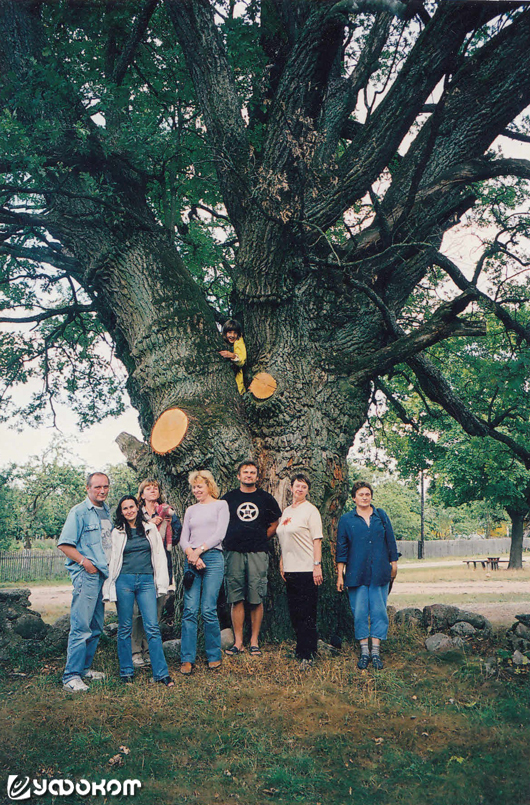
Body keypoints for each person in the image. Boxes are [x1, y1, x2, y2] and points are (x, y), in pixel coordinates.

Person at [103, 496, 174, 686]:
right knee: (125, 627)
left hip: (146, 581)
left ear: (137, 508)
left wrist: (161, 583)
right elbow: (111, 558)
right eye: (125, 508)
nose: (129, 511)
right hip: (124, 581)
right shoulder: (117, 532)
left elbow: (159, 557)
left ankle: (161, 673)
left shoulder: (150, 529)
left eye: (131, 507)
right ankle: (126, 671)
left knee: (152, 626)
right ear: (121, 512)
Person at [57, 472, 112, 692]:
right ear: (87, 488)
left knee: (96, 625)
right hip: (87, 575)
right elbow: (64, 545)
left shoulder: (106, 510)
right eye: (98, 487)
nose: (102, 491)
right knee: (81, 627)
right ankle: (70, 677)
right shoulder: (79, 512)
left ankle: (84, 669)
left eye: (106, 487)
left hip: (103, 576)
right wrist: (85, 562)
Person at [336, 481, 398, 670]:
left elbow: (391, 540)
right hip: (356, 573)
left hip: (379, 571)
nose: (364, 497)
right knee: (360, 613)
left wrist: (394, 563)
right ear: (354, 498)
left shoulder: (381, 515)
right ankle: (364, 652)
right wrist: (340, 574)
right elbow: (341, 548)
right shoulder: (347, 520)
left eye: (367, 494)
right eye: (360, 494)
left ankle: (376, 652)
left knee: (379, 612)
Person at [222, 461, 281, 656]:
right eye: (245, 472)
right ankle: (238, 642)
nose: (249, 475)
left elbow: (274, 523)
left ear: (257, 476)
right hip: (233, 553)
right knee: (236, 597)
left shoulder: (266, 499)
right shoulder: (228, 499)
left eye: (252, 473)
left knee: (256, 596)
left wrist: (260, 538)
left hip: (258, 552)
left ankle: (254, 641)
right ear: (238, 476)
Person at [179, 470, 229, 675]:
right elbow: (183, 538)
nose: (196, 490)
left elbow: (220, 534)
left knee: (208, 609)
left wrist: (200, 551)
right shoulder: (191, 510)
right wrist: (192, 555)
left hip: (213, 559)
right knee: (190, 610)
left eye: (200, 486)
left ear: (209, 486)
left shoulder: (221, 505)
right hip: (192, 561)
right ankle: (187, 658)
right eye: (194, 487)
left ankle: (213, 655)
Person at [131, 479, 182, 668]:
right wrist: (149, 525)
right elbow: (130, 536)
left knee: (156, 609)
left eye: (155, 488)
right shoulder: (134, 512)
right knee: (137, 611)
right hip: (140, 565)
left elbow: (177, 536)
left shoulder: (167, 511)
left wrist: (167, 526)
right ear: (141, 494)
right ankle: (136, 652)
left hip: (162, 566)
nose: (152, 490)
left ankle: (150, 650)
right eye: (148, 488)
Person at [277, 474, 323, 669]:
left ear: (307, 490)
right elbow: (285, 538)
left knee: (307, 613)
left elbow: (317, 540)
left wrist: (317, 565)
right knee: (295, 612)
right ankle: (300, 648)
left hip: (306, 569)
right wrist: (281, 561)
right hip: (290, 569)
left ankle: (309, 653)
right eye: (297, 486)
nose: (300, 489)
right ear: (291, 488)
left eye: (304, 487)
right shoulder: (287, 511)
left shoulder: (311, 511)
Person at [219, 318, 246, 395]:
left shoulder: (239, 342)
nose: (232, 335)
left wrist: (233, 356)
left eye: (235, 333)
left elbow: (242, 360)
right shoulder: (220, 340)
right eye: (229, 332)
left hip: (236, 378)